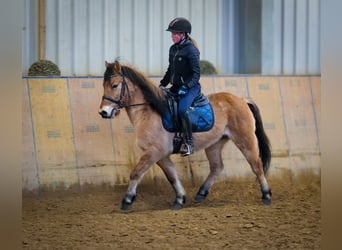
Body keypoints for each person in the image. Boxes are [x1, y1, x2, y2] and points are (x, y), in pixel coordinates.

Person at [159, 17, 201, 156]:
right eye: (171, 34)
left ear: (183, 34)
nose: (172, 37)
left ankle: (189, 143)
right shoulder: (173, 49)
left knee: (182, 110)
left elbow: (196, 74)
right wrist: (162, 84)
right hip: (176, 86)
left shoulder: (191, 50)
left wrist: (187, 86)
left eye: (175, 34)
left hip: (191, 88)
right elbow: (171, 69)